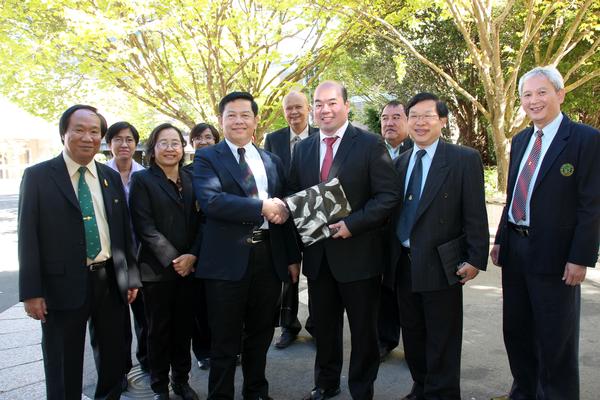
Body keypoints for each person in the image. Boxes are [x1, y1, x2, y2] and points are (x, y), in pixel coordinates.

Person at [490, 66, 600, 400]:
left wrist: (580, 258)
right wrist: (500, 241)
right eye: (527, 95)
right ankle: (524, 392)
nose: (534, 101)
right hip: (517, 252)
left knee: (556, 340)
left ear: (560, 94)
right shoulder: (522, 139)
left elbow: (591, 205)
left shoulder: (585, 139)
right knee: (518, 333)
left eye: (542, 92)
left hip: (557, 259)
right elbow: (513, 197)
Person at [18, 104, 141, 400]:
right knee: (63, 361)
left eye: (94, 131)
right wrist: (31, 292)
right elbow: (27, 236)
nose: (88, 137)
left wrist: (129, 278)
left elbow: (123, 232)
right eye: (80, 130)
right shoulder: (38, 176)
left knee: (113, 357)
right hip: (62, 285)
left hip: (109, 282)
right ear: (64, 133)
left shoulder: (109, 177)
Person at [288, 81, 400, 400]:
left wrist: (353, 224)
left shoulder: (369, 144)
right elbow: (296, 195)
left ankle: (361, 389)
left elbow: (387, 196)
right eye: (319, 104)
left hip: (359, 255)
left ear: (347, 106)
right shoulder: (304, 148)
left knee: (364, 332)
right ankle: (326, 383)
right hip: (319, 257)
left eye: (332, 103)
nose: (325, 110)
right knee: (324, 328)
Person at [193, 91, 301, 400]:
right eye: (231, 115)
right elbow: (211, 202)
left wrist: (292, 256)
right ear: (221, 120)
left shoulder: (271, 160)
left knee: (260, 333)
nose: (238, 121)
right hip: (226, 262)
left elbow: (286, 210)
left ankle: (257, 391)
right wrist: (262, 207)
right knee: (225, 340)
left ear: (255, 120)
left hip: (268, 257)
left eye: (245, 115)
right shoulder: (207, 157)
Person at [384, 92, 489, 400]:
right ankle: (421, 386)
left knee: (442, 337)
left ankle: (442, 393)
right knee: (413, 334)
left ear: (442, 121)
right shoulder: (400, 162)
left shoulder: (462, 159)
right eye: (413, 116)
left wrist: (475, 258)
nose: (419, 122)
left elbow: (475, 213)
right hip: (404, 263)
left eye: (427, 115)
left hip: (442, 262)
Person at [129, 123, 203, 400]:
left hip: (190, 269)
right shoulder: (143, 180)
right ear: (153, 149)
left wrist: (192, 255)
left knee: (184, 330)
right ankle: (159, 386)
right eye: (164, 143)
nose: (170, 148)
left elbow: (201, 222)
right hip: (157, 272)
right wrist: (176, 260)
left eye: (176, 143)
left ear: (183, 148)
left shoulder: (192, 178)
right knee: (158, 332)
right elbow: (145, 228)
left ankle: (181, 381)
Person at [264, 90, 318, 349]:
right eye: (289, 109)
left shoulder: (321, 136)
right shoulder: (273, 139)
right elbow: (269, 176)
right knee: (289, 273)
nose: (294, 113)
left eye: (299, 107)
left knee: (318, 272)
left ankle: (318, 323)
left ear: (309, 109)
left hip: (314, 213)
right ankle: (289, 324)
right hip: (284, 217)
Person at [105, 121, 148, 383]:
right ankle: (120, 369)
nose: (124, 144)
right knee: (115, 321)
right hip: (112, 258)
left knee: (146, 318)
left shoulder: (144, 175)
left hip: (142, 257)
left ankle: (147, 361)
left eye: (129, 139)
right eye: (118, 139)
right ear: (109, 144)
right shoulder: (100, 175)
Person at [377, 100, 413, 362]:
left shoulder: (417, 149)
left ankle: (414, 347)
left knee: (409, 295)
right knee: (383, 292)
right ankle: (385, 340)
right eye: (385, 118)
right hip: (376, 236)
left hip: (407, 237)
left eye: (396, 117)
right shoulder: (371, 150)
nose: (390, 123)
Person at [186, 122, 219, 370]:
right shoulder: (185, 172)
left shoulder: (226, 168)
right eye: (198, 137)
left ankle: (228, 347)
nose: (204, 141)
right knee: (198, 304)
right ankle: (203, 350)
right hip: (195, 244)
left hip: (222, 242)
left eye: (208, 137)